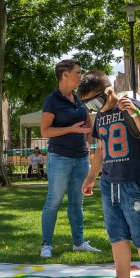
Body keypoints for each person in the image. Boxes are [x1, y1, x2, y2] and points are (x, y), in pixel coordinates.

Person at [78, 71, 140, 278]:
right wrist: (91, 177)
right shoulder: (100, 117)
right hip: (109, 182)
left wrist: (133, 113)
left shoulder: (129, 105)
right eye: (89, 105)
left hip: (134, 178)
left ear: (109, 91)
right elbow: (101, 150)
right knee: (117, 233)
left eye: (97, 101)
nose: (95, 108)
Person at [39, 59, 101, 258]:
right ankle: (46, 244)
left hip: (81, 158)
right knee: (54, 201)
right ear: (64, 75)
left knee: (77, 202)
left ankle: (79, 242)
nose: (80, 76)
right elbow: (45, 130)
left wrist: (86, 139)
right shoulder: (52, 100)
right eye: (77, 72)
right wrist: (71, 129)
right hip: (59, 157)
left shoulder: (80, 98)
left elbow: (88, 122)